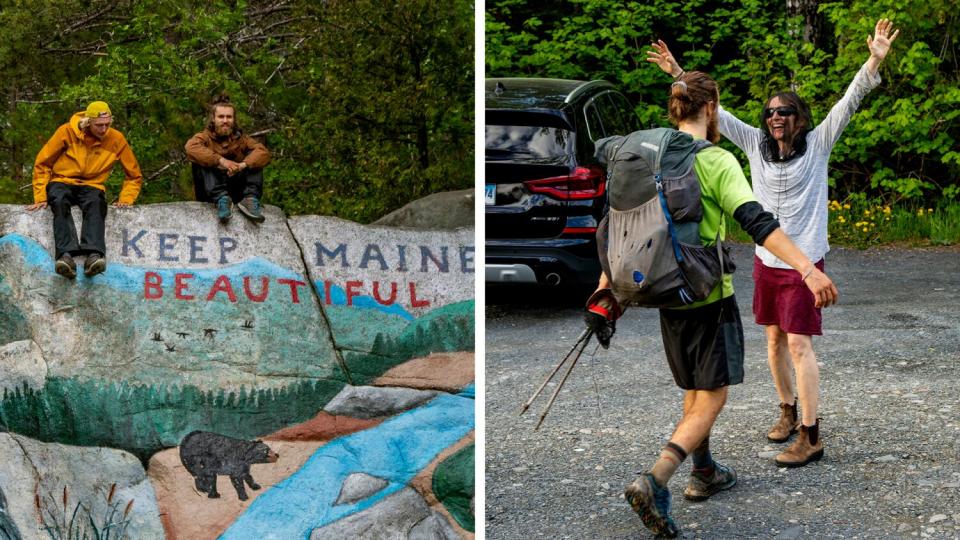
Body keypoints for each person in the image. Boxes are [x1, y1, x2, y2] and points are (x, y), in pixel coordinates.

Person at [587, 71, 838, 538]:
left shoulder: (647, 153)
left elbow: (617, 226)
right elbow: (756, 221)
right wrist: (808, 268)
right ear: (712, 106)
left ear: (675, 109)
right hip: (707, 298)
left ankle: (704, 473)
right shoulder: (715, 160)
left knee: (694, 389)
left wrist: (607, 287)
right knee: (714, 395)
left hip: (661, 295)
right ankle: (656, 479)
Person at [647, 18, 899, 468]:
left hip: (804, 262)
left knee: (800, 345)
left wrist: (874, 60)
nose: (775, 117)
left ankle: (811, 435)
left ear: (799, 119)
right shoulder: (751, 142)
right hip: (767, 260)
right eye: (770, 112)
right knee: (774, 342)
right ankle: (786, 412)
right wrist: (677, 74)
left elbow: (849, 101)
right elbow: (707, 111)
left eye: (784, 112)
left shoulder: (818, 143)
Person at [26, 101, 143, 279]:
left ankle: (94, 256)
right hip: (62, 180)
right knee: (58, 200)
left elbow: (134, 175)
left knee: (96, 203)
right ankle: (65, 257)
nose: (104, 129)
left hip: (92, 184)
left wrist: (126, 199)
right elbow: (43, 163)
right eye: (99, 125)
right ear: (88, 122)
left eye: (107, 124)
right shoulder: (66, 131)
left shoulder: (117, 139)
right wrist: (40, 197)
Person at [185, 96, 271, 224]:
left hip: (236, 190)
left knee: (255, 158)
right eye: (221, 117)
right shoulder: (203, 137)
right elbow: (190, 148)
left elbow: (263, 152)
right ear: (213, 119)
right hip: (211, 192)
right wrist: (221, 161)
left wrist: (242, 165)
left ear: (234, 119)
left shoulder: (243, 140)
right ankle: (222, 200)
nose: (225, 121)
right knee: (201, 159)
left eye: (229, 117)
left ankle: (250, 199)